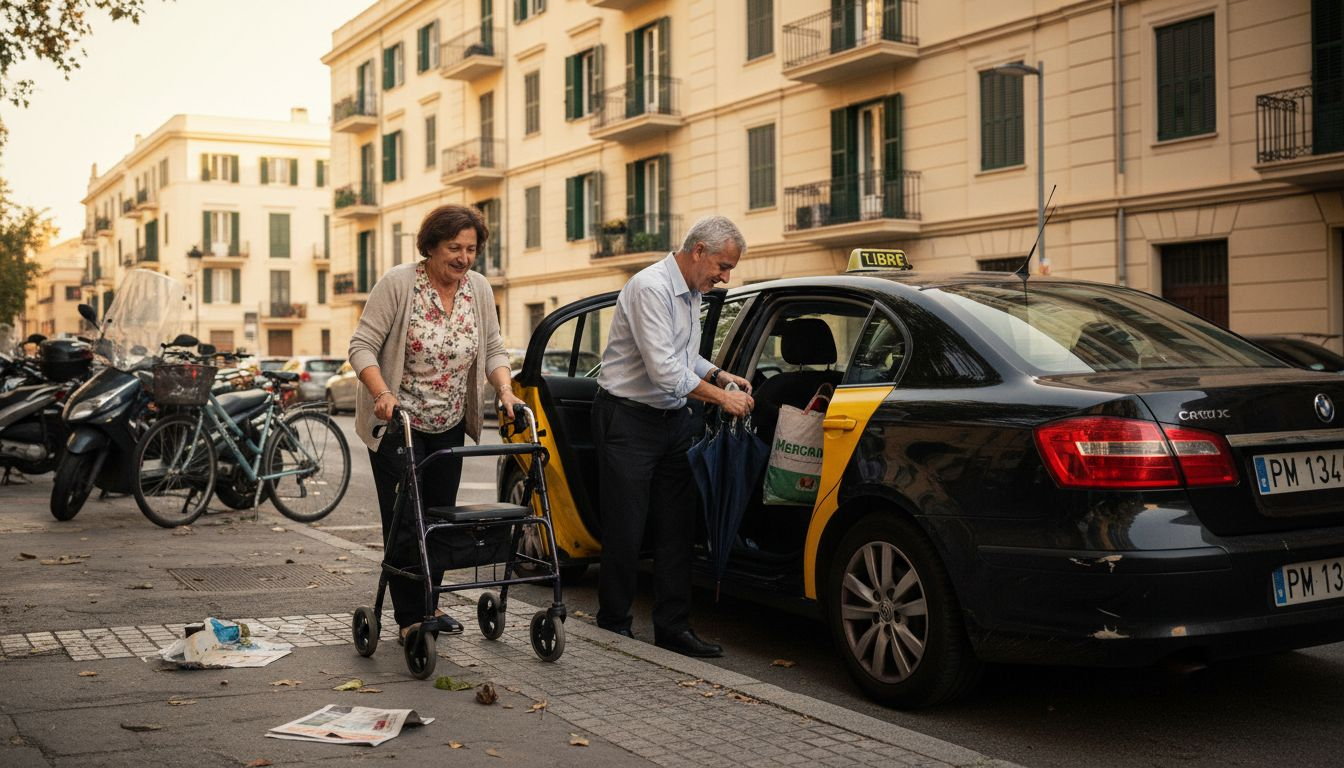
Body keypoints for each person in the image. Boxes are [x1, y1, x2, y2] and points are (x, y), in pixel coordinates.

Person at [348, 203, 522, 644]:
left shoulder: (478, 289)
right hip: (397, 422)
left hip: (446, 421)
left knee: (439, 520)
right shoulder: (399, 283)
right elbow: (362, 346)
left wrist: (504, 390)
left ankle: (432, 602)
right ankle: (410, 618)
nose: (464, 258)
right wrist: (381, 393)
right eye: (454, 248)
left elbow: (495, 348)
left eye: (471, 249)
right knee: (407, 519)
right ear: (431, 247)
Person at [592, 215, 755, 658]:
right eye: (722, 266)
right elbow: (663, 369)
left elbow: (685, 356)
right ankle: (614, 626)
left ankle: (673, 629)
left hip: (673, 420)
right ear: (698, 250)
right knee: (627, 528)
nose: (724, 278)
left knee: (676, 530)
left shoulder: (692, 292)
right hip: (628, 421)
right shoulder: (651, 287)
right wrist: (722, 399)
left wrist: (720, 374)